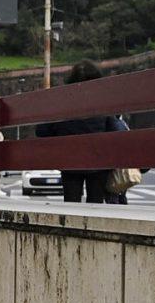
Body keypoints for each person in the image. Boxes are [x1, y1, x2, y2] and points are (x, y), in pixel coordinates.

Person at [39, 62, 130, 203]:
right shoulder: (103, 103)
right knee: (95, 201)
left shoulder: (61, 103)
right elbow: (117, 130)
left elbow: (42, 131)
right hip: (98, 162)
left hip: (69, 162)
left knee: (71, 201)